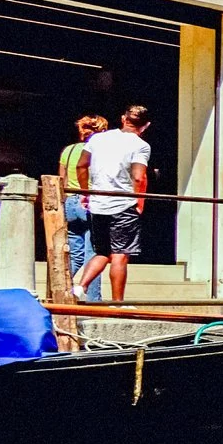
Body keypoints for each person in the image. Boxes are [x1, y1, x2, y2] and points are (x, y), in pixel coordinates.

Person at [73, 105, 151, 303]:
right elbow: (139, 177)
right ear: (145, 126)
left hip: (98, 203)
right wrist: (139, 202)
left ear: (123, 118)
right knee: (120, 255)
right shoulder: (141, 145)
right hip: (123, 204)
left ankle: (80, 287)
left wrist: (86, 192)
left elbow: (81, 165)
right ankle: (117, 304)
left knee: (102, 252)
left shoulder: (97, 139)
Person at [57, 114, 106, 301]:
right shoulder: (97, 151)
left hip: (70, 202)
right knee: (93, 253)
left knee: (75, 254)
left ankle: (60, 291)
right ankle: (93, 300)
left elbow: (62, 180)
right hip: (89, 201)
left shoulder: (68, 150)